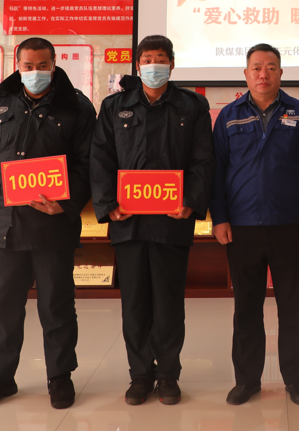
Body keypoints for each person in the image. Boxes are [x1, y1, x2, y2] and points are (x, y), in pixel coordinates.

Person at [0, 37, 95, 409]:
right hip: (6, 224)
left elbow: (88, 163)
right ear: (17, 65)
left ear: (54, 64)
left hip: (54, 225)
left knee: (56, 305)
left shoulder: (77, 106)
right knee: (4, 306)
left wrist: (65, 204)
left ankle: (60, 376)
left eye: (42, 66)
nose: (36, 72)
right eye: (28, 66)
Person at [91, 35, 214, 407]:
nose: (153, 66)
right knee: (134, 304)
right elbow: (100, 158)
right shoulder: (114, 106)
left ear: (172, 64)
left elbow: (203, 159)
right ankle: (140, 376)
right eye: (147, 60)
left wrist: (191, 201)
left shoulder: (192, 105)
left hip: (172, 221)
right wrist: (108, 205)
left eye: (160, 59)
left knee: (169, 304)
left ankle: (168, 375)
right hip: (128, 222)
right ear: (137, 65)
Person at [211, 43, 299, 406]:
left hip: (291, 225)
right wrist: (220, 217)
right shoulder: (228, 116)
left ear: (280, 73)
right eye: (257, 67)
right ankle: (247, 381)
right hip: (242, 226)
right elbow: (217, 170)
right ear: (246, 74)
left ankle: (296, 381)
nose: (264, 74)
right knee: (246, 307)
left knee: (293, 306)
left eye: (271, 67)